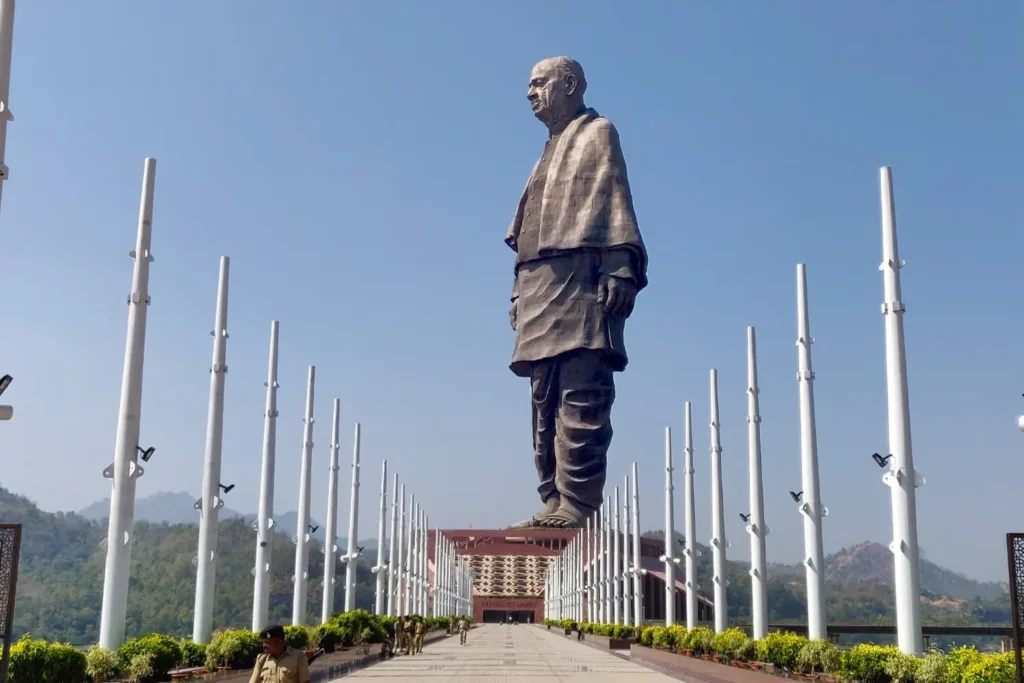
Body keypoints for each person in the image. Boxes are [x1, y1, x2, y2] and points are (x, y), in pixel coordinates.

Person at [506, 56, 648, 529]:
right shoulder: (547, 149)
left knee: (582, 391)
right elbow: (526, 225)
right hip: (537, 284)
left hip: (582, 281)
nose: (530, 92)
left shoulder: (597, 133)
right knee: (543, 395)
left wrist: (621, 268)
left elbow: (614, 199)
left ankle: (579, 503)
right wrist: (516, 293)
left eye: (539, 83)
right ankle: (552, 497)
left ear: (568, 84)